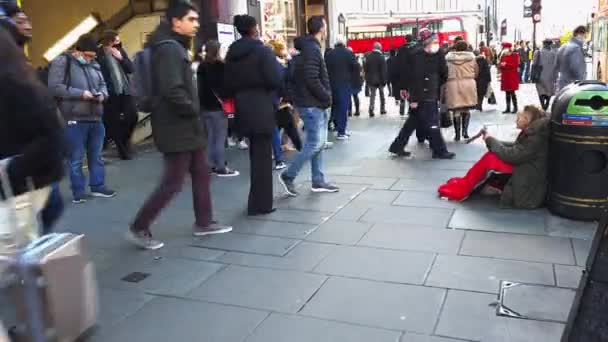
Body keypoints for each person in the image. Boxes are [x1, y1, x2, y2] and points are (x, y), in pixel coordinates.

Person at [128, 3, 232, 250]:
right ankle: (139, 226)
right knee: (174, 181)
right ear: (176, 22)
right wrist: (193, 110)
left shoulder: (172, 46)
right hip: (177, 126)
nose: (196, 24)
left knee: (201, 171)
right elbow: (173, 89)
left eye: (197, 19)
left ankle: (204, 222)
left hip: (184, 126)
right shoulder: (169, 49)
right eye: (191, 19)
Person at [0, 16, 64, 234]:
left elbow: (52, 136)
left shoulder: (15, 83)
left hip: (21, 186)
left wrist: (10, 169)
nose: (27, 25)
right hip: (24, 183)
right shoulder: (19, 78)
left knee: (17, 246)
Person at [48, 34, 116, 204]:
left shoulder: (95, 64)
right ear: (77, 51)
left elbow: (102, 85)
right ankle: (78, 191)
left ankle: (98, 185)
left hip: (96, 116)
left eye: (93, 57)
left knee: (96, 155)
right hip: (74, 118)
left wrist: (102, 95)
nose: (90, 59)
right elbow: (55, 87)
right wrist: (81, 94)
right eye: (87, 56)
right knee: (76, 158)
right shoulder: (63, 62)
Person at [224, 15, 282, 215]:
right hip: (261, 105)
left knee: (254, 154)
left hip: (242, 107)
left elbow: (227, 84)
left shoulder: (232, 53)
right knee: (264, 157)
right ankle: (261, 204)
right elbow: (275, 79)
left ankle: (255, 201)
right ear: (253, 28)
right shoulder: (262, 51)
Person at [439, 105, 549, 209]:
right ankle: (467, 182)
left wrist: (490, 140)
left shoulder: (534, 137)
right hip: (526, 170)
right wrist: (491, 139)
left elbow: (513, 155)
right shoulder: (533, 133)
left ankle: (465, 187)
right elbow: (516, 149)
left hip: (528, 185)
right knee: (491, 157)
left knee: (492, 159)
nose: (516, 120)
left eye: (519, 117)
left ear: (527, 120)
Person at [279, 16, 339, 197]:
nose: (326, 29)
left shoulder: (307, 48)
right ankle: (289, 175)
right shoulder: (312, 50)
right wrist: (326, 96)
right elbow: (312, 78)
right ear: (322, 28)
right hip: (312, 103)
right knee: (315, 143)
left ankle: (318, 180)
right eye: (326, 25)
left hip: (310, 102)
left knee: (318, 144)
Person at [388, 28, 455, 160]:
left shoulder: (416, 53)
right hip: (425, 93)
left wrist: (407, 91)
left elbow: (407, 75)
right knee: (433, 122)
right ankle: (439, 150)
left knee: (412, 122)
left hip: (424, 92)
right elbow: (441, 74)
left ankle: (397, 146)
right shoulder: (426, 54)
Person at [197, 40, 239, 177]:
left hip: (205, 107)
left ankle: (209, 165)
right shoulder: (221, 66)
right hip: (219, 107)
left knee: (210, 137)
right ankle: (221, 167)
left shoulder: (201, 66)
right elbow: (227, 87)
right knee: (220, 138)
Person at [97, 30, 138, 160]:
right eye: (116, 39)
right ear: (109, 40)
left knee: (132, 116)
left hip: (125, 90)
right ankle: (122, 150)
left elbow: (131, 68)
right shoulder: (99, 54)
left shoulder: (120, 51)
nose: (119, 40)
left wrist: (120, 58)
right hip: (110, 92)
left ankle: (124, 140)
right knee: (113, 121)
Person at [267, 38, 302, 169]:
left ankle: (279, 155)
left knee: (278, 129)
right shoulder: (279, 65)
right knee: (288, 126)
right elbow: (285, 80)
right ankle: (283, 156)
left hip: (273, 101)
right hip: (279, 101)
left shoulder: (274, 64)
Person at [444, 40, 478, 142]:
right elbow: (476, 72)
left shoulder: (448, 59)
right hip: (468, 84)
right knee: (466, 109)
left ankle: (457, 134)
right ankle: (465, 132)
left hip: (453, 84)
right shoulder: (471, 58)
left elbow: (444, 72)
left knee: (456, 110)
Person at [325, 37, 357, 139]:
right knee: (343, 108)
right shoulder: (348, 53)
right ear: (344, 42)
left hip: (330, 84)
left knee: (332, 107)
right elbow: (355, 67)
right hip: (344, 84)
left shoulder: (329, 54)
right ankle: (341, 132)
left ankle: (327, 128)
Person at [555, 25, 588, 91]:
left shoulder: (562, 47)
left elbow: (556, 66)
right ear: (581, 34)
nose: (585, 39)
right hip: (572, 88)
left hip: (562, 85)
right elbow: (578, 71)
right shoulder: (576, 49)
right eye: (585, 36)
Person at [532, 39, 558, 111]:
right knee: (549, 91)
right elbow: (556, 65)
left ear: (543, 44)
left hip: (539, 75)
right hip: (551, 75)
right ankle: (547, 103)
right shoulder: (554, 53)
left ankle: (543, 104)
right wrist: (556, 76)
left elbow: (534, 64)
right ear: (550, 44)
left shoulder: (538, 52)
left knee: (540, 90)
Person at [364, 42, 388, 117]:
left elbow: (366, 69)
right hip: (380, 80)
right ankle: (382, 109)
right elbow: (384, 70)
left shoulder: (369, 56)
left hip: (371, 80)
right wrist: (384, 81)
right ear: (380, 48)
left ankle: (371, 109)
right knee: (382, 95)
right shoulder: (381, 57)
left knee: (372, 95)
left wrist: (367, 78)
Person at [498, 42, 520, 114]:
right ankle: (508, 108)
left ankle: (515, 107)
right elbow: (500, 65)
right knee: (507, 93)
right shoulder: (503, 56)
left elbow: (515, 65)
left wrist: (506, 64)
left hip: (512, 76)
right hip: (505, 76)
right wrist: (502, 65)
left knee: (512, 92)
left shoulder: (515, 55)